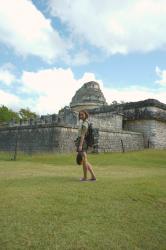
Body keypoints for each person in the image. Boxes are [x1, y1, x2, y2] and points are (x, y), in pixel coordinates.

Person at [76, 110, 96, 181]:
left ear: (86, 115)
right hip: (82, 142)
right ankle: (93, 176)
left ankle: (85, 177)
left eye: (82, 115)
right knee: (85, 160)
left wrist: (80, 145)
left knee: (84, 160)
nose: (81, 116)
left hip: (82, 142)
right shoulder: (84, 122)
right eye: (80, 115)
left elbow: (83, 135)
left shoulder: (85, 124)